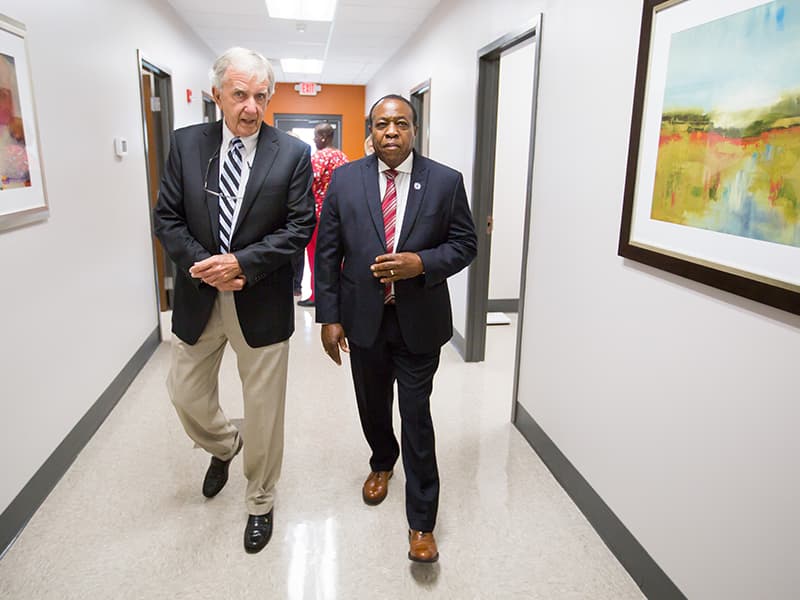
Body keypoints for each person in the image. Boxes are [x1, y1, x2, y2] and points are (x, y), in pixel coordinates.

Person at [153, 47, 315, 554]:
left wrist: (243, 263)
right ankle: (225, 444)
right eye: (240, 94)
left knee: (264, 409)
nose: (251, 106)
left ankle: (261, 500)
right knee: (184, 391)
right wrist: (207, 263)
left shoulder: (290, 153)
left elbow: (299, 225)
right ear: (217, 93)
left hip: (260, 298)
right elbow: (167, 218)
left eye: (261, 96)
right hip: (201, 295)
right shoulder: (185, 145)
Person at [314, 94, 477, 563]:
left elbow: (465, 244)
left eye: (401, 124)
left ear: (414, 130)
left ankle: (422, 522)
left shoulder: (445, 182)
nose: (391, 132)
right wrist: (330, 315)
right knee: (371, 403)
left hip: (418, 323)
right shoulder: (346, 180)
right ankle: (382, 462)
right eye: (382, 124)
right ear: (371, 129)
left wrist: (420, 263)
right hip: (362, 318)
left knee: (417, 415)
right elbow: (327, 252)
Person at [297, 123, 348, 307]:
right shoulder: (343, 156)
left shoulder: (318, 157)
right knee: (337, 256)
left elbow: (307, 185)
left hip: (319, 215)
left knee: (316, 256)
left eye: (316, 136)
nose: (314, 139)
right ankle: (341, 293)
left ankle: (317, 296)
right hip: (341, 214)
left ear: (324, 137)